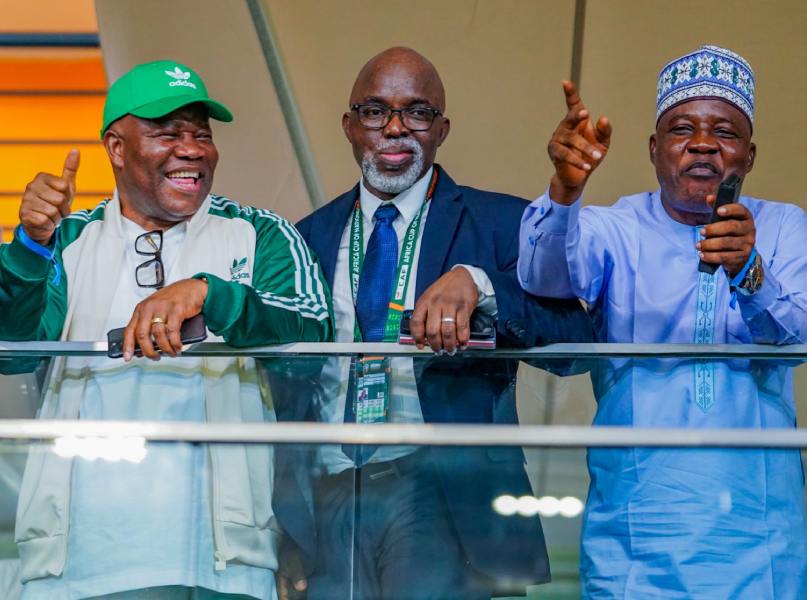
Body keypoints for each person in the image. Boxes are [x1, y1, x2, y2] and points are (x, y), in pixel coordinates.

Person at [0, 60, 331, 599]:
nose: (192, 148)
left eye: (201, 133)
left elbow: (314, 340)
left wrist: (212, 293)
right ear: (116, 148)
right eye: (166, 132)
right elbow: (10, 353)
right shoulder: (66, 240)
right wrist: (29, 248)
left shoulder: (260, 233)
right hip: (78, 564)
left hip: (223, 562)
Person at [281, 46, 593, 599]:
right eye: (376, 111)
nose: (396, 129)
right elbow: (285, 388)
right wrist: (285, 528)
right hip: (327, 498)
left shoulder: (500, 222)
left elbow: (574, 345)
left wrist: (482, 284)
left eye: (418, 113)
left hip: (441, 493)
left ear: (442, 129)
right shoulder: (306, 236)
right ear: (349, 126)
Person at [518, 45, 807, 599]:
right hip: (636, 532)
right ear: (654, 150)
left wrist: (751, 271)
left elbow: (796, 341)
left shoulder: (782, 226)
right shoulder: (616, 226)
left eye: (724, 132)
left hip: (758, 532)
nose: (702, 143)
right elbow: (544, 277)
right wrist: (566, 192)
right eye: (682, 129)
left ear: (748, 156)